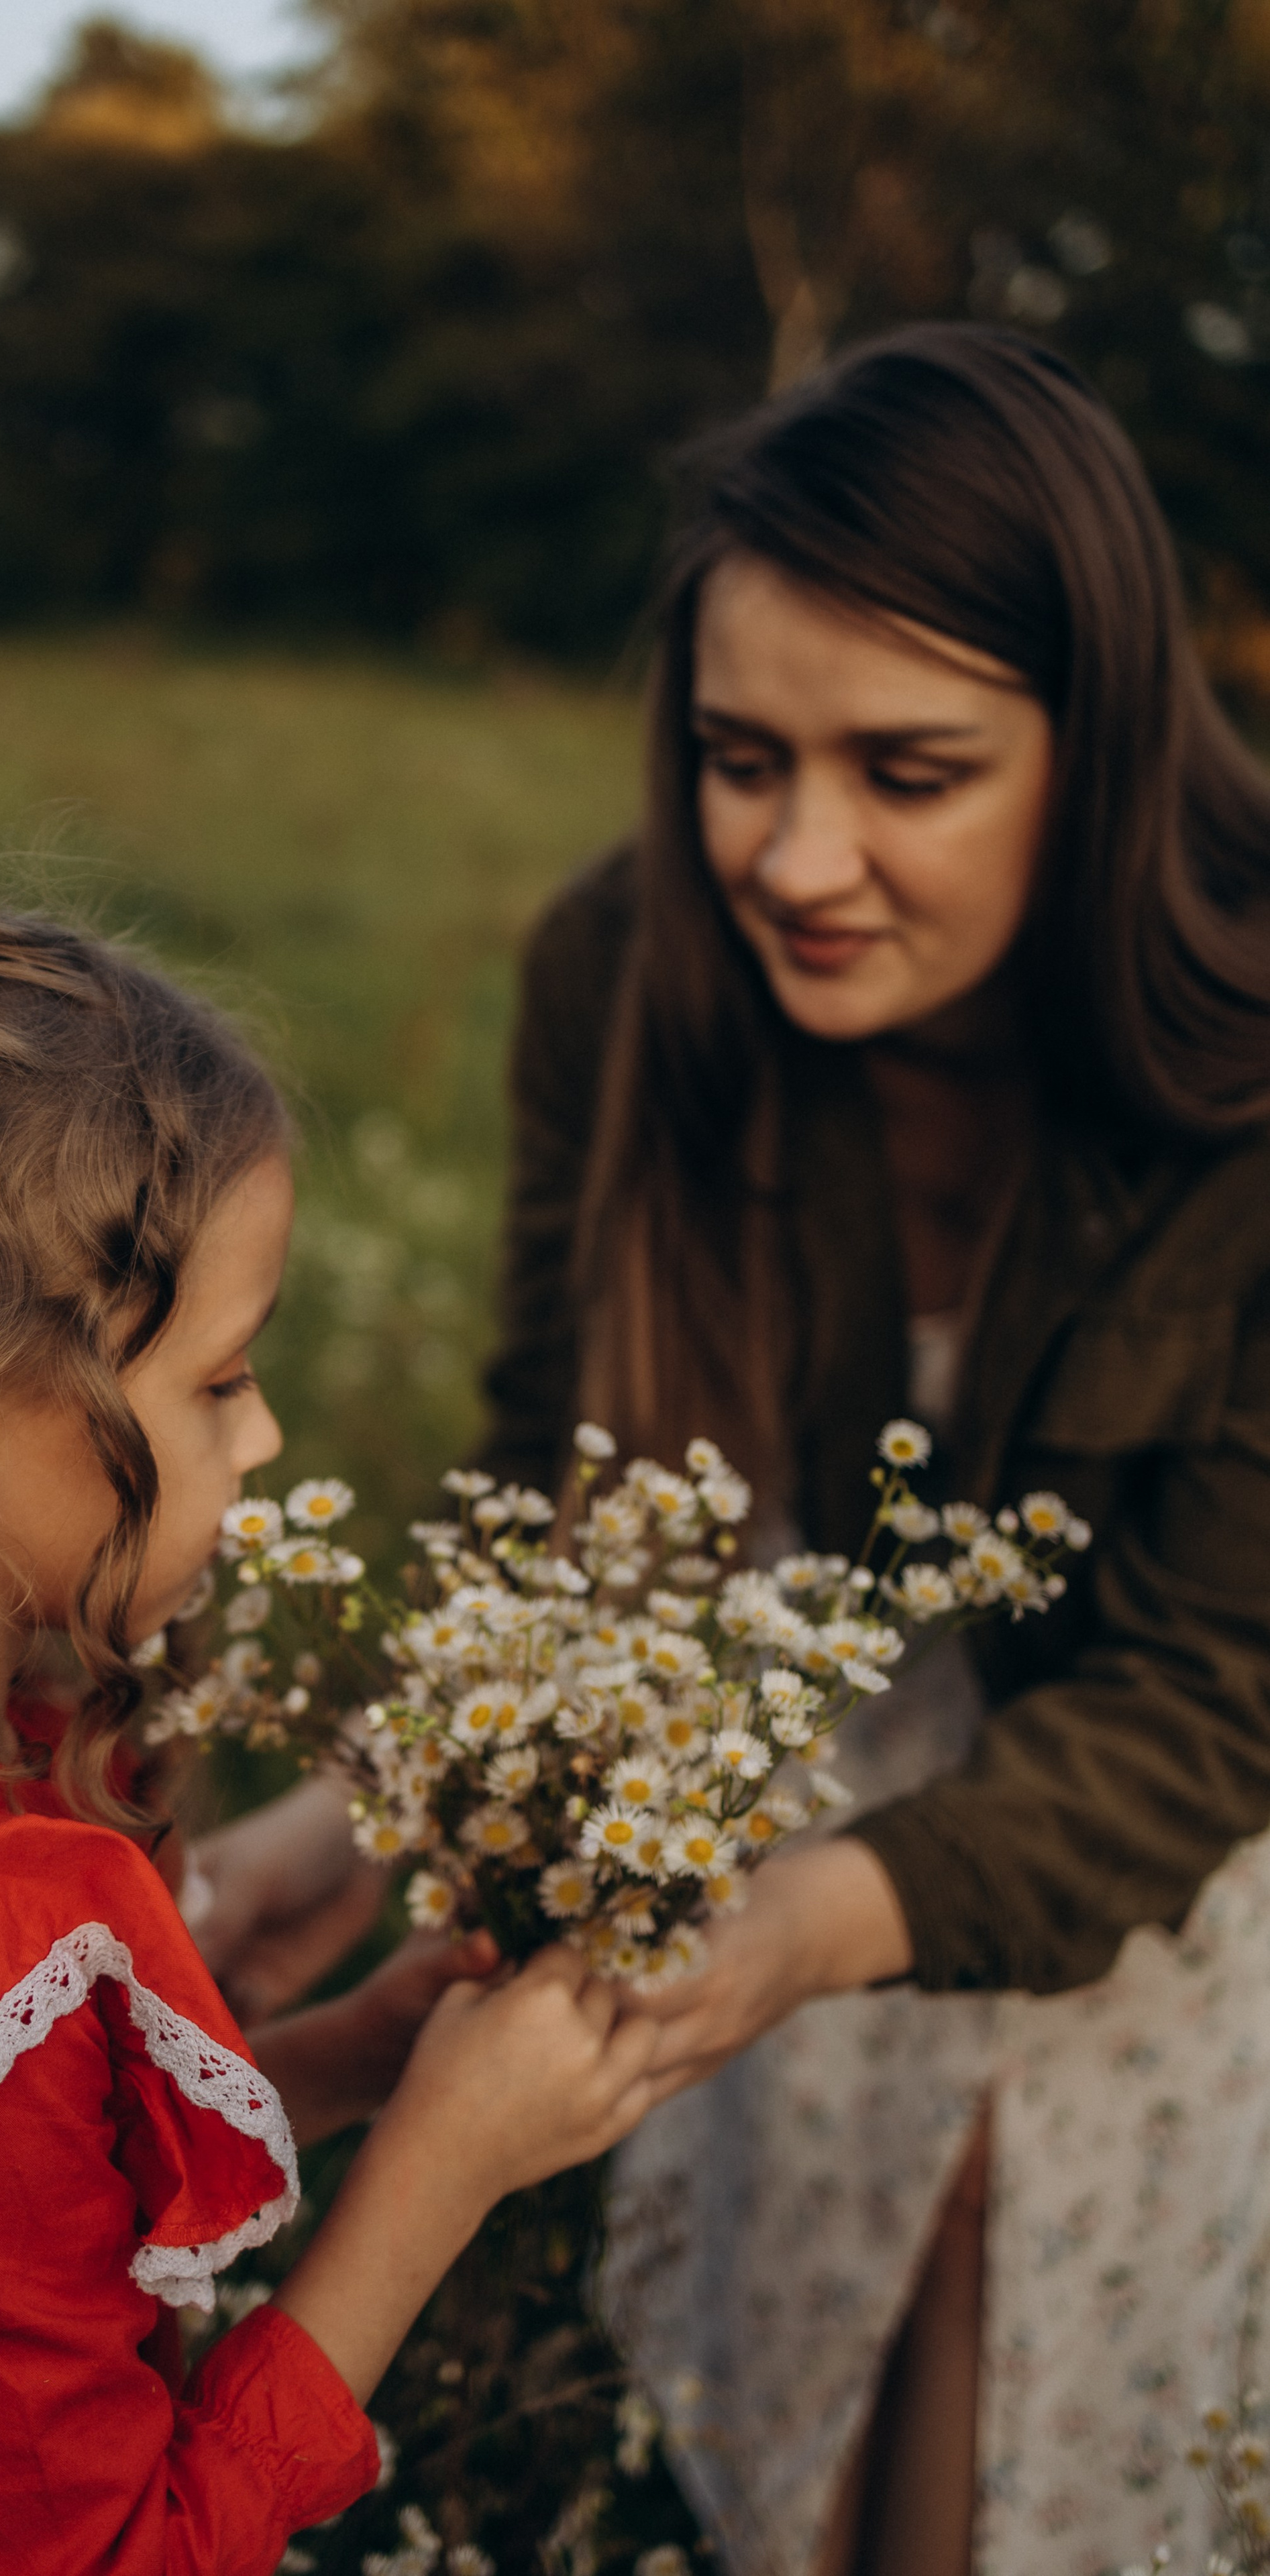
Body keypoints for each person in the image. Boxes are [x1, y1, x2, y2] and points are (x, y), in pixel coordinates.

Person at [195, 327, 1270, 2575]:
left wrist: (786, 1936)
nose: (798, 857)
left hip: (1155, 1832)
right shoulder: (631, 969)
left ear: (1103, 749)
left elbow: (1207, 1697)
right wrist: (386, 1793)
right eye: (736, 756)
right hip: (749, 1752)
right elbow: (574, 1472)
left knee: (1002, 2389)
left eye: (912, 771)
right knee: (771, 2423)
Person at [0, 904, 676, 2576]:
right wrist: (439, 2174)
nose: (272, 1431)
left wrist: (356, 2061)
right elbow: (112, 2555)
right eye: (221, 1381)